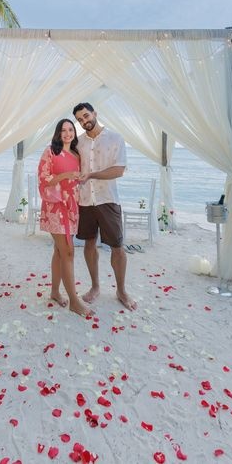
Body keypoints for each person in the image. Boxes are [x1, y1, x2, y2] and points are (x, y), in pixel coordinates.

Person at [72, 102, 138, 310]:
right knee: (89, 244)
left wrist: (91, 175)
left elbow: (118, 170)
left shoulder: (115, 138)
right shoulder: (78, 143)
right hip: (84, 201)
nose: (84, 121)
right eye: (80, 119)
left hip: (108, 200)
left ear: (94, 113)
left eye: (86, 116)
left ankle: (121, 291)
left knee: (117, 247)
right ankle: (95, 287)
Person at [37, 118, 94, 317]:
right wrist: (65, 176)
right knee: (68, 252)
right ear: (58, 133)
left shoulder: (77, 154)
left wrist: (80, 177)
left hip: (72, 206)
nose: (68, 133)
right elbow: (43, 178)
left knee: (59, 251)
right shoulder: (50, 151)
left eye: (71, 130)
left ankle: (54, 292)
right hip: (55, 206)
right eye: (64, 130)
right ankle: (74, 301)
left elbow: (80, 178)